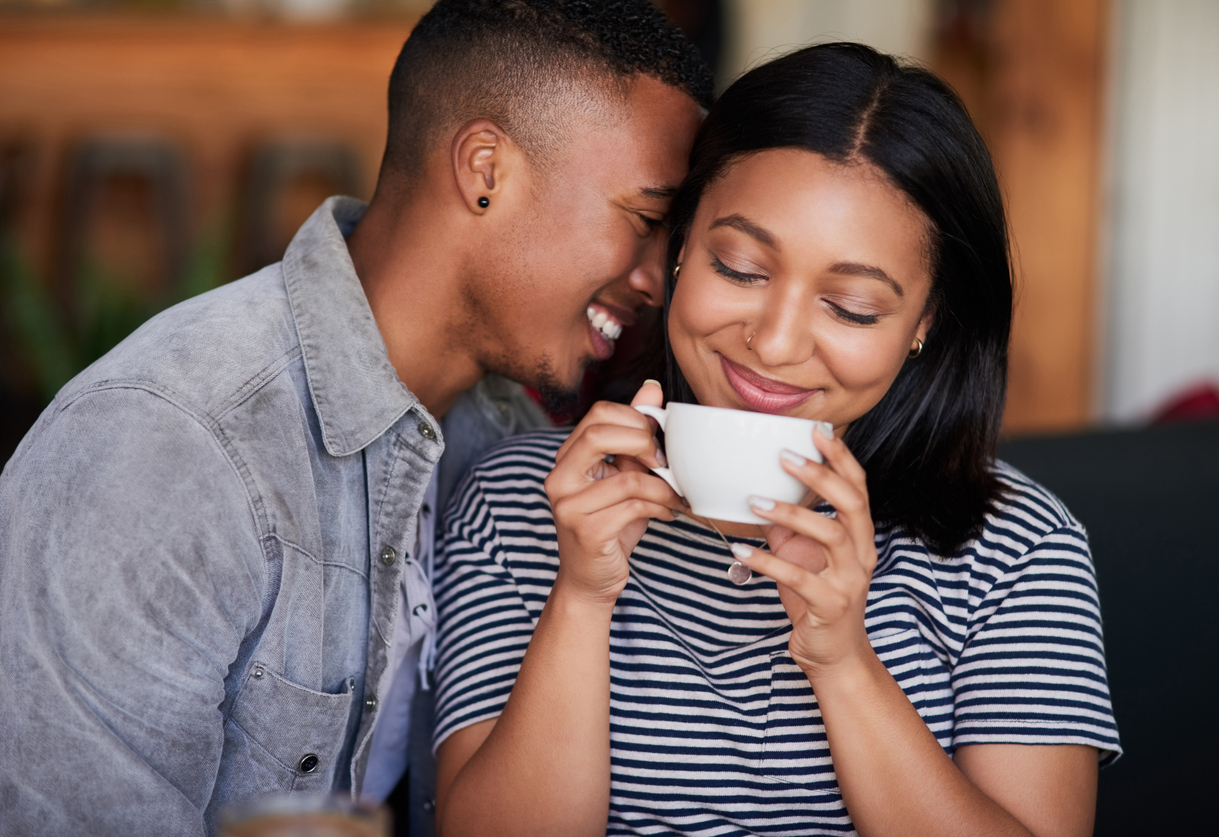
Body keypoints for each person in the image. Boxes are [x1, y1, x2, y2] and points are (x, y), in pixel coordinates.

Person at [0, 2, 710, 834]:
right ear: (485, 170)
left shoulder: (512, 448)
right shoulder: (171, 445)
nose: (659, 280)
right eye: (646, 219)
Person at [432, 42, 1120, 837]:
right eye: (741, 267)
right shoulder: (524, 500)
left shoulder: (1019, 548)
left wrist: (843, 661)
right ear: (682, 247)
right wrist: (581, 598)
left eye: (853, 308)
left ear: (925, 323)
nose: (777, 340)